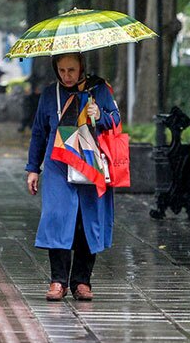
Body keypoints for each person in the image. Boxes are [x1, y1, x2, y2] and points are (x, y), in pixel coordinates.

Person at [25, 52, 120, 301]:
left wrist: (100, 116)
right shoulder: (49, 94)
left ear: (81, 68)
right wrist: (33, 168)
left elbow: (116, 119)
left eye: (72, 70)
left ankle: (82, 281)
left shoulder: (99, 89)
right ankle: (58, 280)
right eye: (62, 70)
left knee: (86, 220)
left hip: (91, 163)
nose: (67, 76)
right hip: (57, 164)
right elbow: (38, 132)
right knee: (57, 218)